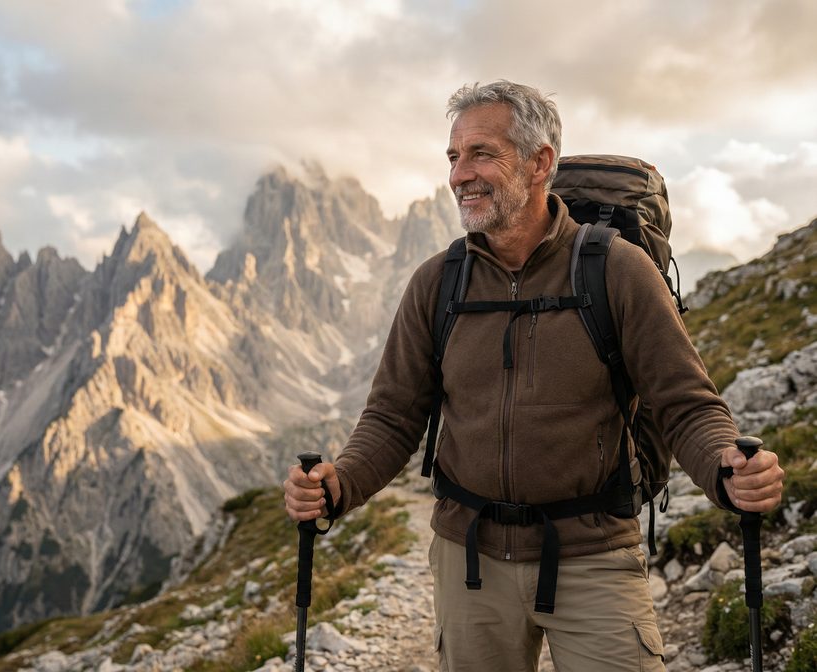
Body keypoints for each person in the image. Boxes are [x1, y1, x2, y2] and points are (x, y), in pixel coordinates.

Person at [283, 81, 785, 672]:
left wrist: (728, 469)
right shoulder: (436, 283)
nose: (458, 175)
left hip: (595, 554)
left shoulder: (618, 271)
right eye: (453, 156)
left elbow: (684, 404)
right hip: (468, 562)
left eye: (481, 154)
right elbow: (392, 416)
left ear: (540, 161)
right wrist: (339, 484)